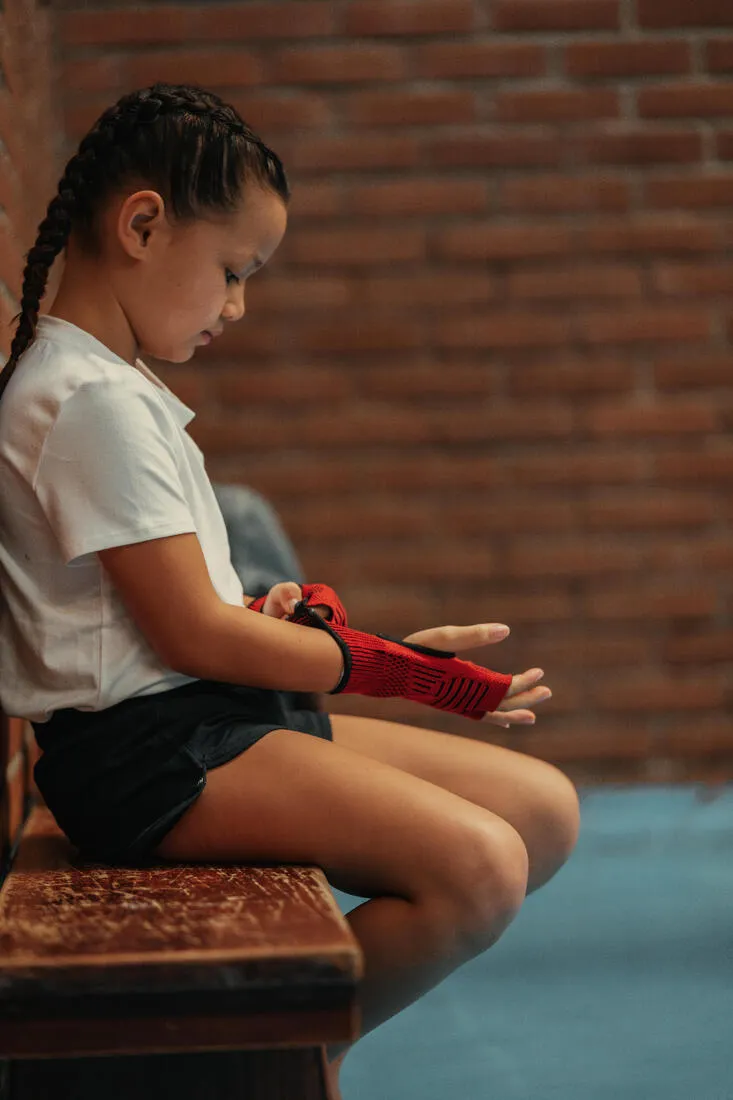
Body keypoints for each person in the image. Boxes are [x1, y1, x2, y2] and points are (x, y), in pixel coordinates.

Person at [0, 82, 580, 1097]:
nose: (237, 305)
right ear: (142, 223)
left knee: (542, 810)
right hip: (151, 756)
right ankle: (287, 1058)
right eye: (231, 271)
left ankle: (289, 1045)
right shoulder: (86, 397)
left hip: (208, 718)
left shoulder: (107, 384)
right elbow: (188, 638)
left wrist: (275, 620)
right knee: (478, 868)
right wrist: (396, 666)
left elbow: (179, 614)